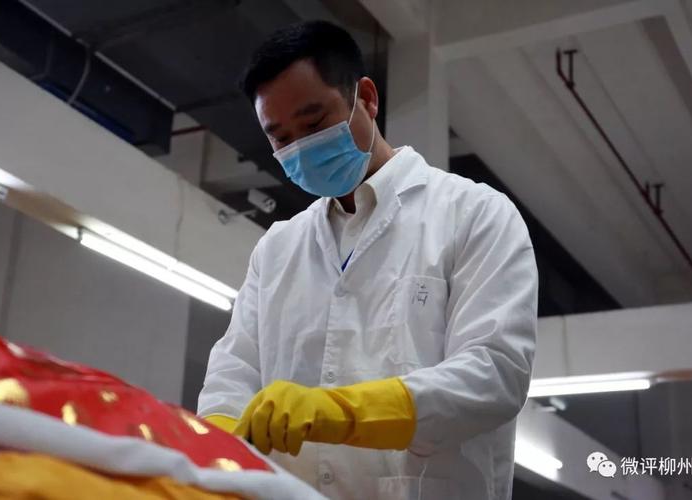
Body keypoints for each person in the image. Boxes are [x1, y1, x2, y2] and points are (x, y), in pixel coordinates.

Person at [198, 20, 538, 500]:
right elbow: (233, 373)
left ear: (368, 99)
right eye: (281, 138)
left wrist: (343, 412)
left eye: (314, 124)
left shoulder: (474, 214)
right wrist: (216, 439)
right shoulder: (277, 249)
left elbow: (494, 374)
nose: (300, 149)